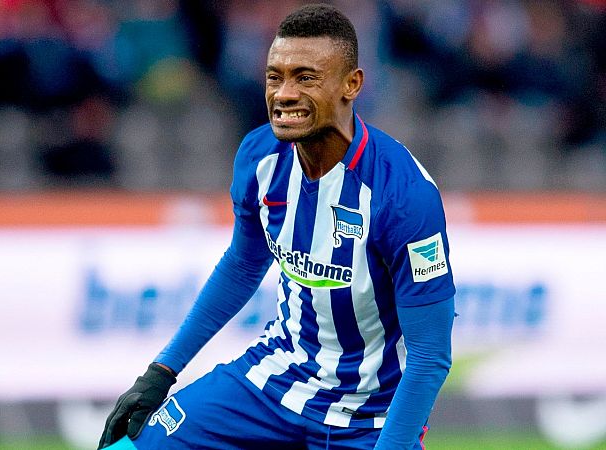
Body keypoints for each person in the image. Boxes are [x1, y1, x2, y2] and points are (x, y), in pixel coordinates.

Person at [99, 3, 455, 449]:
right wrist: (161, 371)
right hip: (272, 382)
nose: (284, 94)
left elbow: (429, 356)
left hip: (368, 417)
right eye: (275, 76)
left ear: (351, 85)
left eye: (305, 78)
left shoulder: (403, 195)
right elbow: (243, 266)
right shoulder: (259, 158)